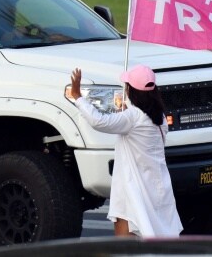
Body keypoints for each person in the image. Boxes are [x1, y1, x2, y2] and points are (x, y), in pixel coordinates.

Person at [65, 64, 183, 238]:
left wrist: (78, 97)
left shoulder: (133, 117)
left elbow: (99, 121)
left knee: (125, 247)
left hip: (133, 188)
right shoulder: (160, 118)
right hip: (156, 187)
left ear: (132, 91)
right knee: (158, 236)